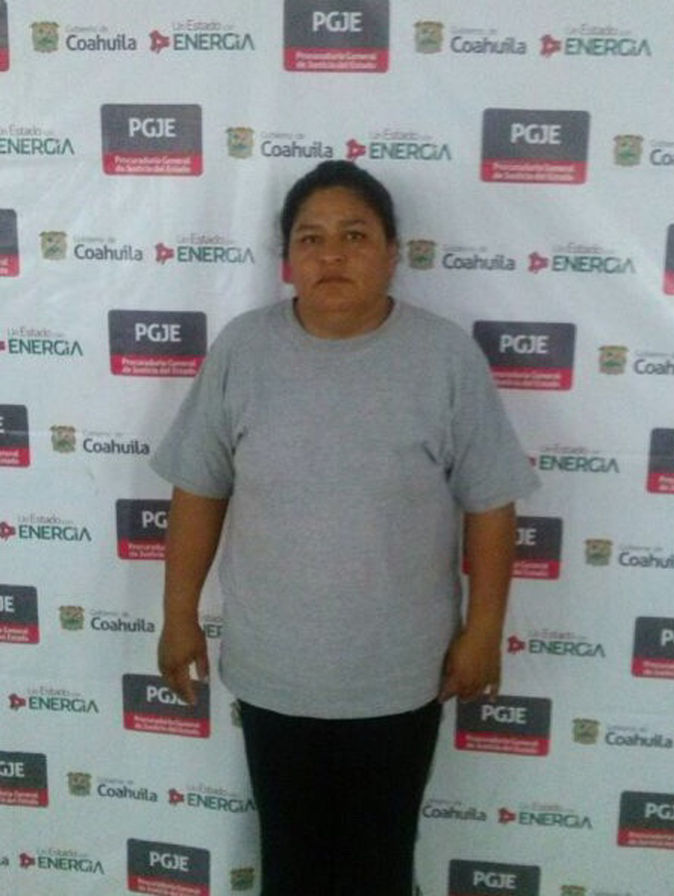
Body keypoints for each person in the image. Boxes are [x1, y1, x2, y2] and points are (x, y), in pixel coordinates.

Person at [151, 160, 539, 896]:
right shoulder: (243, 350)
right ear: (288, 260)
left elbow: (491, 503)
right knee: (290, 862)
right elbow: (199, 490)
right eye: (312, 238)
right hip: (275, 671)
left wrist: (484, 630)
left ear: (393, 253)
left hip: (399, 674)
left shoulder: (444, 357)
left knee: (379, 863)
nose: (332, 254)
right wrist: (178, 617)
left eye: (355, 235)